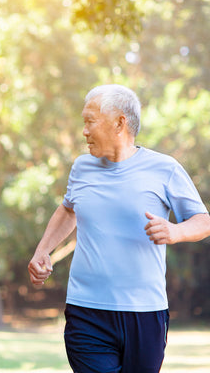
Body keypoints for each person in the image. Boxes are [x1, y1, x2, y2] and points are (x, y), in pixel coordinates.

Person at [28, 84, 210, 373]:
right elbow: (68, 209)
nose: (84, 131)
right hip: (86, 309)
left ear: (119, 122)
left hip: (145, 311)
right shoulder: (82, 167)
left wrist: (175, 232)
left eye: (90, 121)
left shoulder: (165, 168)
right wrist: (42, 251)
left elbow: (203, 221)